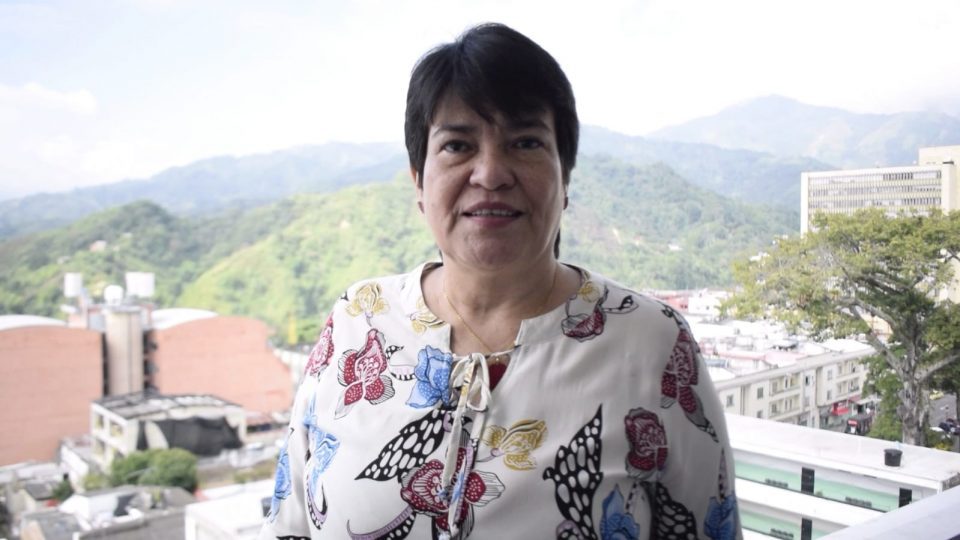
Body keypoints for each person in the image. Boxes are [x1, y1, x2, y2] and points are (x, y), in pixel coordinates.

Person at [260, 23, 740, 540]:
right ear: (418, 181)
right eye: (457, 145)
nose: (490, 173)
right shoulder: (358, 319)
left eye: (525, 142)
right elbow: (290, 523)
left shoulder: (651, 343)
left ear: (565, 178)